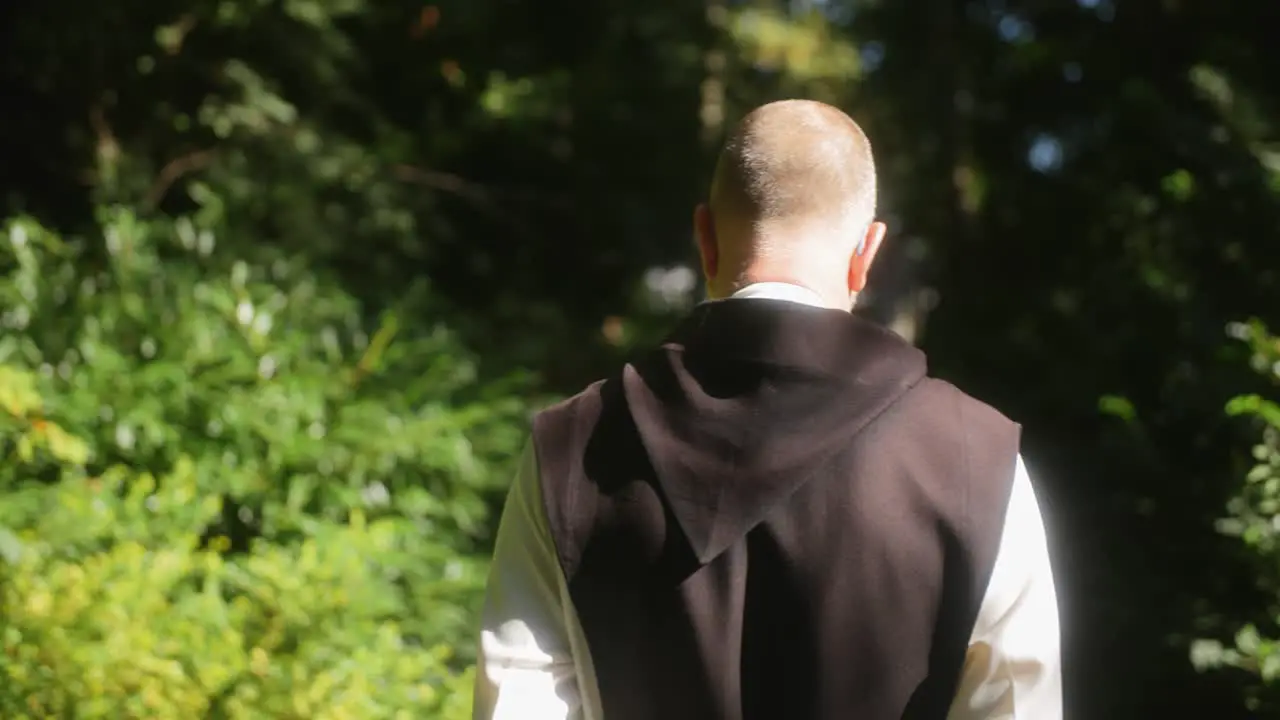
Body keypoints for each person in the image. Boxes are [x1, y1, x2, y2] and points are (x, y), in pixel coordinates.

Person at [472, 99, 1062, 720]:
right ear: (868, 252)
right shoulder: (977, 462)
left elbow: (520, 703)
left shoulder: (571, 450)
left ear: (705, 239)